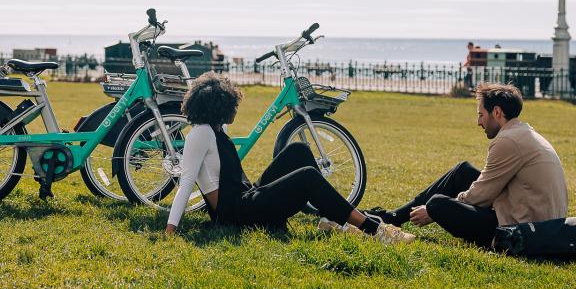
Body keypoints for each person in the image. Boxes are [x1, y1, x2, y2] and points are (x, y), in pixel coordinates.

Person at [165, 72, 415, 244]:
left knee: (298, 151)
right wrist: (170, 231)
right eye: (232, 106)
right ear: (217, 108)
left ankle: (332, 219)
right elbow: (186, 184)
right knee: (307, 177)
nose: (235, 110)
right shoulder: (199, 134)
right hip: (237, 214)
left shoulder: (216, 129)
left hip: (246, 197)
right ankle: (375, 230)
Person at [367, 83, 568, 248]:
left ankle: (394, 217)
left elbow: (480, 196)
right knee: (462, 171)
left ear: (496, 112)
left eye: (481, 114)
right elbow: (487, 188)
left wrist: (433, 210)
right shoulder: (523, 133)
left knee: (438, 203)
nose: (478, 122)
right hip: (538, 221)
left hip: (521, 232)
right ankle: (393, 217)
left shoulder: (508, 141)